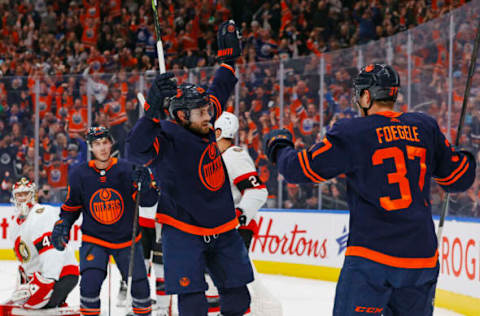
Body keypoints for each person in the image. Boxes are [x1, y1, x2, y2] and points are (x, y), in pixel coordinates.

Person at [264, 63, 477, 316]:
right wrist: (465, 155)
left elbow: (299, 170)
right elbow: (459, 179)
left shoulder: (352, 131)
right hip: (420, 259)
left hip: (372, 261)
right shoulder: (425, 127)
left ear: (366, 96)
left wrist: (279, 146)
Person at [126, 20, 254, 316]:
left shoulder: (203, 120)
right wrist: (152, 113)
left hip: (222, 227)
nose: (210, 116)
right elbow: (135, 150)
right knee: (193, 304)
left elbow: (218, 90)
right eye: (202, 113)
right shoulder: (167, 136)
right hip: (183, 229)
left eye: (208, 111)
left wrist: (228, 60)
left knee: (238, 301)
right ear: (182, 115)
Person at [51, 126, 153, 316]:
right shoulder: (79, 174)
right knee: (89, 283)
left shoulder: (127, 169)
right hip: (95, 239)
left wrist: (147, 185)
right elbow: (71, 207)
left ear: (111, 143)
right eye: (97, 144)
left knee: (140, 288)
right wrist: (63, 224)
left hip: (126, 240)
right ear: (90, 148)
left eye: (105, 142)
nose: (102, 148)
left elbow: (148, 201)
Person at [206, 111, 282, 316]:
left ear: (220, 131)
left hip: (237, 230)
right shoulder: (220, 157)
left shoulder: (234, 155)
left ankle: (268, 311)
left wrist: (238, 216)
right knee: (225, 280)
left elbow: (258, 191)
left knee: (233, 281)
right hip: (225, 230)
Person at [7, 177, 79, 310]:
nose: (22, 198)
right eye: (18, 195)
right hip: (38, 279)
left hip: (60, 275)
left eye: (25, 194)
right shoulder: (14, 223)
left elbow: (53, 250)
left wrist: (46, 280)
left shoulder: (41, 213)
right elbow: (26, 259)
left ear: (33, 195)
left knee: (31, 308)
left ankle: (54, 299)